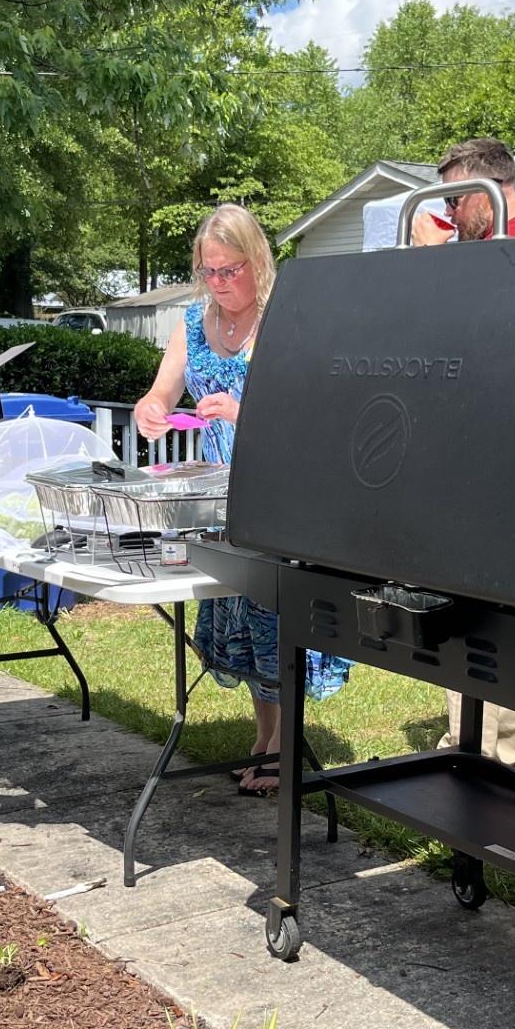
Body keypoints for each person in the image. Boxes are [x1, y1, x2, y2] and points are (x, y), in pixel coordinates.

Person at [133, 205, 351, 795]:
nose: (220, 283)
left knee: (275, 613)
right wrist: (150, 412)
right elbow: (158, 392)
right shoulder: (192, 322)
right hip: (222, 500)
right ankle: (266, 736)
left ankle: (284, 747)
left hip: (282, 490)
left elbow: (317, 414)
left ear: (258, 262)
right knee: (239, 610)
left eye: (231, 270)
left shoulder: (285, 318)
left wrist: (241, 411)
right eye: (210, 272)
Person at [408, 137, 515, 776]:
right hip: (466, 453)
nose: (452, 213)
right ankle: (465, 741)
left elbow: (496, 335)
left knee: (508, 612)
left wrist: (436, 267)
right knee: (460, 605)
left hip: (511, 459)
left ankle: (509, 755)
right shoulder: (481, 247)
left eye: (457, 197)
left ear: (492, 189)